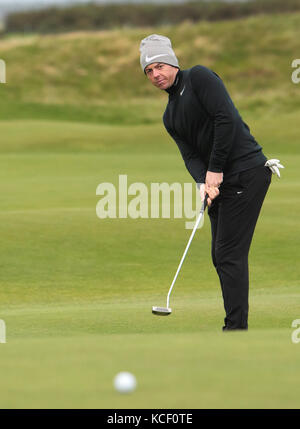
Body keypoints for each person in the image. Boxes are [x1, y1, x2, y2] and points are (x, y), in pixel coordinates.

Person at [139, 34, 284, 331]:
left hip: (247, 171)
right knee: (220, 255)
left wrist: (215, 169)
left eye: (158, 66)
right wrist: (202, 182)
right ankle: (236, 324)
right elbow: (190, 155)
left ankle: (235, 329)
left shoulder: (199, 78)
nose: (155, 75)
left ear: (172, 63)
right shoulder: (170, 116)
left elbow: (225, 119)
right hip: (220, 182)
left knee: (229, 254)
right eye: (148, 71)